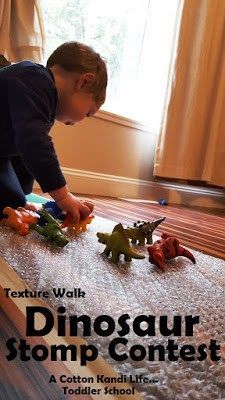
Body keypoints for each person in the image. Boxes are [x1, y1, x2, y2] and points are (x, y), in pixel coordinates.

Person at [0, 42, 107, 222]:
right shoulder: (35, 78)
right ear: (84, 82)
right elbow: (34, 143)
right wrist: (63, 196)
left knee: (13, 202)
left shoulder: (41, 99)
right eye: (88, 112)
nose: (82, 120)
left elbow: (23, 152)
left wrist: (20, 198)